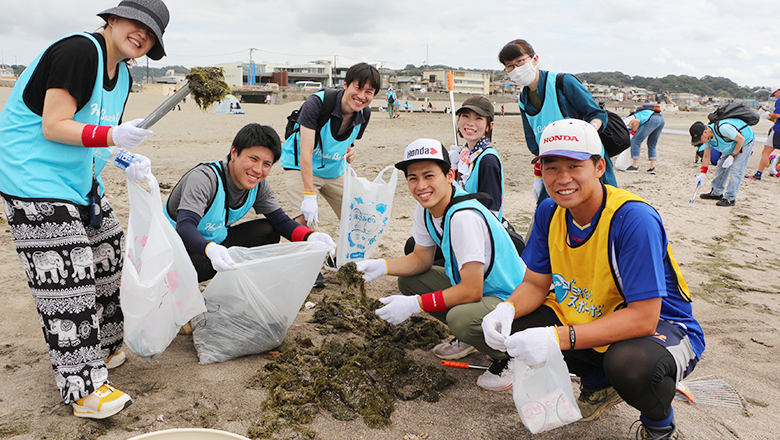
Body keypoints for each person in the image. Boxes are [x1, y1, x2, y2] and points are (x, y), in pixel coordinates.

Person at [481, 119, 704, 439]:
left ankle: (659, 426)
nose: (563, 178)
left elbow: (644, 318)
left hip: (662, 326)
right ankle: (599, 386)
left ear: (599, 167)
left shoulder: (632, 219)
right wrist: (507, 309)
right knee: (517, 328)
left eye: (575, 165)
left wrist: (556, 338)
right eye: (552, 167)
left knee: (633, 366)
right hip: (590, 311)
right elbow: (534, 284)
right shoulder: (549, 212)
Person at [0, 0, 169, 419]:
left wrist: (125, 157)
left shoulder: (123, 75)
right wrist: (112, 135)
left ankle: (105, 348)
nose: (142, 35)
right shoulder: (79, 51)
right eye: (137, 23)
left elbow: (97, 138)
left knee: (111, 254)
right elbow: (54, 125)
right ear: (112, 19)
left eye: (151, 33)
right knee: (67, 277)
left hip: (77, 181)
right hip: (30, 177)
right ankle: (84, 388)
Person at [356, 139, 528, 391]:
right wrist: (382, 266)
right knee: (411, 281)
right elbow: (420, 259)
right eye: (413, 178)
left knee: (460, 319)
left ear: (449, 176)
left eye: (429, 176)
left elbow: (472, 291)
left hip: (513, 300)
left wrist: (415, 305)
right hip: (484, 292)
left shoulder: (463, 217)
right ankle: (474, 338)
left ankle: (510, 354)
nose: (421, 186)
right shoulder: (427, 208)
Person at [164, 123, 336, 283]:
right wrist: (209, 249)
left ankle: (238, 283)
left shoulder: (259, 186)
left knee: (268, 230)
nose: (258, 170)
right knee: (192, 257)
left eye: (266, 164)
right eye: (253, 159)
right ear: (234, 153)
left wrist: (311, 237)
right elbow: (184, 226)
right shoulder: (204, 179)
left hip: (217, 245)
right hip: (176, 251)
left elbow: (281, 222)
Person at [498, 39, 617, 206]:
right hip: (553, 164)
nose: (516, 68)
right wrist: (539, 175)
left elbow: (597, 114)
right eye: (510, 66)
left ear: (535, 59)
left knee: (602, 207)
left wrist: (588, 131)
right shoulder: (523, 100)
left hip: (584, 160)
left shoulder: (562, 82)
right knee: (551, 211)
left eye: (520, 61)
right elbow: (534, 143)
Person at [279, 62, 380, 228]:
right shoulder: (317, 103)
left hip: (334, 170)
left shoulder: (364, 113)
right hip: (301, 166)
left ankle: (345, 247)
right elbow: (305, 152)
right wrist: (309, 195)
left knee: (360, 219)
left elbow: (347, 142)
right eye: (358, 88)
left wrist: (349, 152)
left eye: (369, 92)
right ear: (345, 84)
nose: (362, 96)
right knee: (305, 220)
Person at [690, 115, 755, 207]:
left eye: (699, 139)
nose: (699, 142)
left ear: (705, 132)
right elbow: (706, 155)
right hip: (731, 143)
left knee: (737, 170)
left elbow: (741, 139)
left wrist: (732, 156)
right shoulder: (708, 137)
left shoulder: (724, 129)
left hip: (745, 141)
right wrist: (703, 173)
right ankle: (716, 193)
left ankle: (730, 198)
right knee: (721, 166)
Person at [747, 86, 780, 180]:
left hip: (778, 130)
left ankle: (758, 174)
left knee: (766, 151)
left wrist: (769, 115)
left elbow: (777, 115)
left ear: (778, 91)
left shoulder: (779, 100)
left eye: (774, 94)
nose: (775, 97)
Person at [626, 106, 665, 174]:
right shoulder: (643, 113)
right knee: (652, 143)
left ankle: (635, 166)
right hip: (661, 119)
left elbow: (635, 123)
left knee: (635, 141)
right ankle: (652, 167)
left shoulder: (629, 118)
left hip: (652, 120)